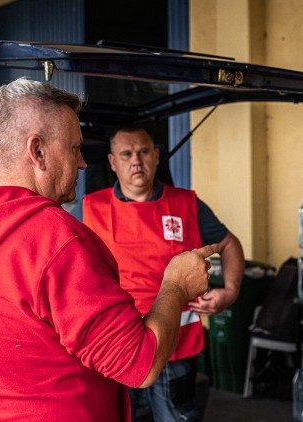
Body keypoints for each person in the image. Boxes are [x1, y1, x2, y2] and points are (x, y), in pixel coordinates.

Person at [0, 78, 216, 421]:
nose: (83, 164)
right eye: (75, 148)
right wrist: (176, 285)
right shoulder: (53, 239)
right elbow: (139, 363)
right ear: (38, 151)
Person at [83, 127, 245, 421]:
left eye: (144, 152)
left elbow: (229, 244)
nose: (137, 161)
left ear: (156, 156)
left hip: (175, 345)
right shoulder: (90, 209)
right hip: (118, 344)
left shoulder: (186, 204)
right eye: (126, 154)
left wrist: (230, 291)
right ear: (111, 162)